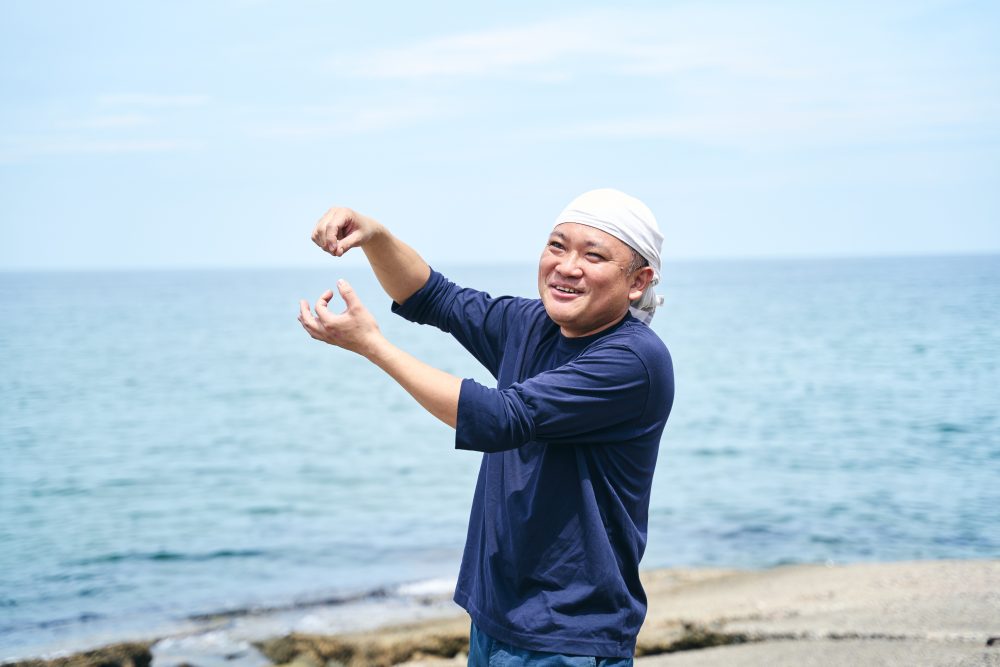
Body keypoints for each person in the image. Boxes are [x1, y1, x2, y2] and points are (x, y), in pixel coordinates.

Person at [298, 188, 675, 665]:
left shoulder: (634, 361)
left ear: (638, 281)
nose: (567, 266)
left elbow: (500, 418)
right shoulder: (531, 324)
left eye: (593, 256)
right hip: (495, 617)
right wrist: (373, 235)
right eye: (557, 246)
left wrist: (373, 346)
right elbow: (433, 296)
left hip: (568, 634)